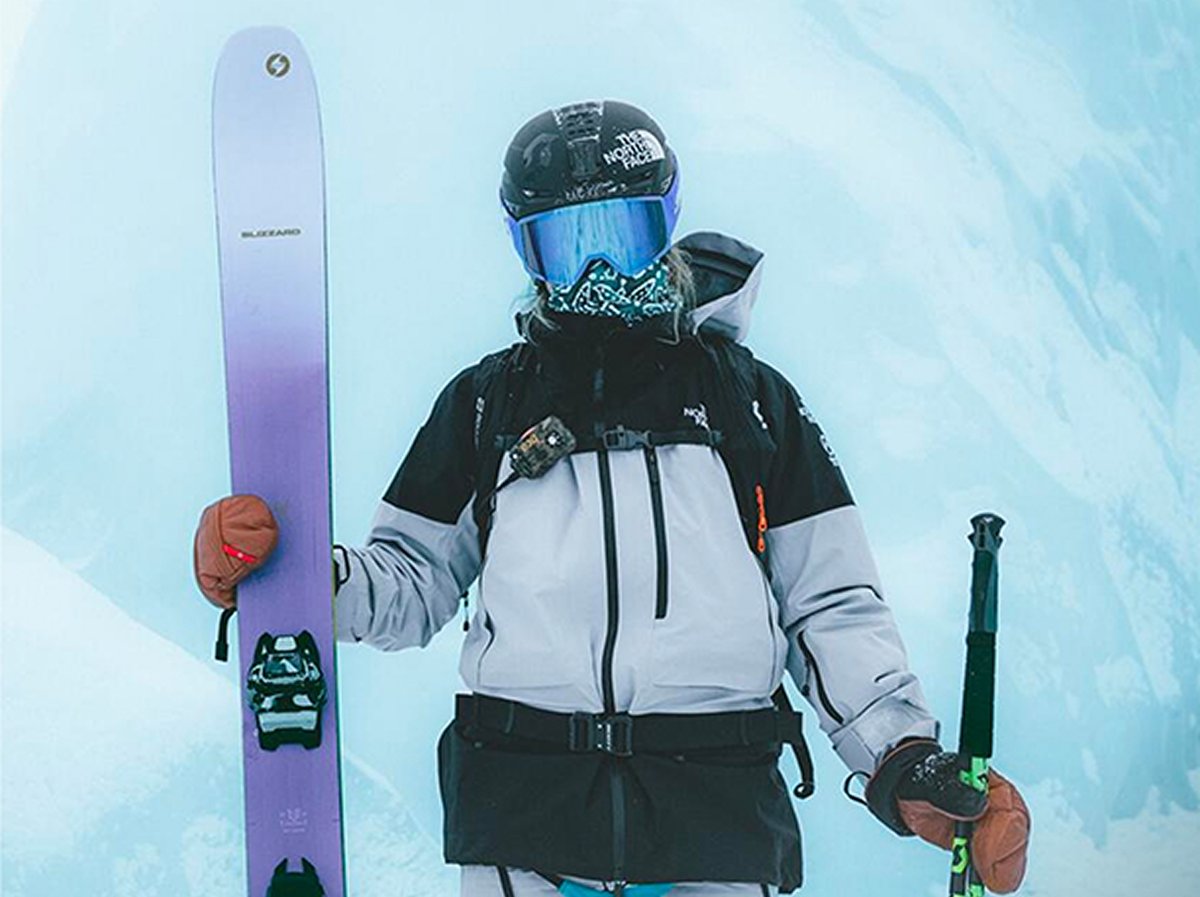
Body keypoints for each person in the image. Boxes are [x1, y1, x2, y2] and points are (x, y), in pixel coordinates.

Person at [195, 100, 1030, 896]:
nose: (598, 271)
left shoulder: (751, 406)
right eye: (568, 244)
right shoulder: (490, 405)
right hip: (524, 818)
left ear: (662, 228)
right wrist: (299, 579)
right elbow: (410, 583)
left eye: (621, 236)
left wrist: (900, 756)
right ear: (530, 255)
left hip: (718, 817)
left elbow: (831, 603)